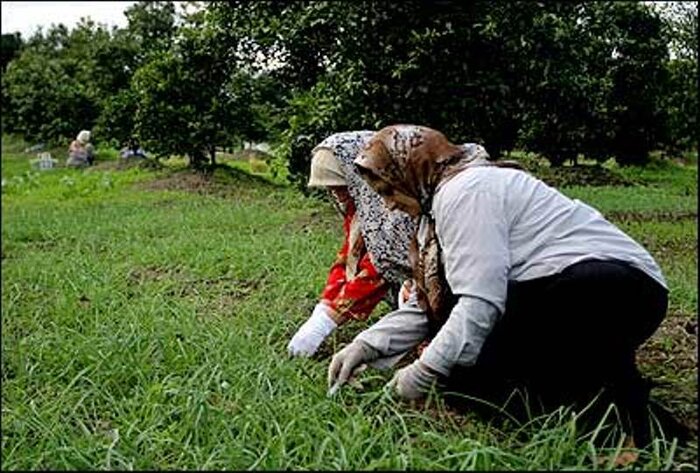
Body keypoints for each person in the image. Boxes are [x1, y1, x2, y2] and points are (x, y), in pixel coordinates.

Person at [327, 124, 668, 448]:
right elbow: (431, 303)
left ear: (410, 170)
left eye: (389, 190)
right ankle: (590, 401)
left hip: (614, 288)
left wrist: (423, 371)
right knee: (470, 380)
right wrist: (366, 345)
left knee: (478, 363)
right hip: (564, 289)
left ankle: (627, 423)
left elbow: (479, 301)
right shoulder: (432, 216)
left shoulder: (465, 192)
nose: (388, 204)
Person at [287, 131, 416, 357]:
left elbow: (379, 265)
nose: (335, 194)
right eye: (330, 188)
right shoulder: (361, 208)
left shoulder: (395, 206)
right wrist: (324, 306)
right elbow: (350, 255)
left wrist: (328, 320)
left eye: (339, 185)